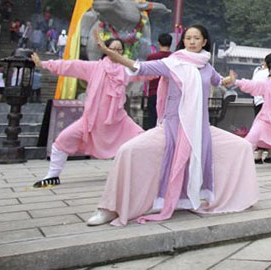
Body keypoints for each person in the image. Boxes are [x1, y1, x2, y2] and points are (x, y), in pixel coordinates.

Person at [87, 25, 258, 226]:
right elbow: (139, 66)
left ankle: (238, 197)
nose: (192, 41)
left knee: (242, 146)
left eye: (196, 38)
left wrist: (230, 80)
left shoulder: (206, 66)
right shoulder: (172, 63)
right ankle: (109, 209)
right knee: (127, 150)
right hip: (172, 128)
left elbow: (219, 80)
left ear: (204, 42)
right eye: (188, 38)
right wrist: (109, 53)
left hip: (201, 131)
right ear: (183, 41)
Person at [30, 39, 147, 188]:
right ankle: (52, 175)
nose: (116, 52)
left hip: (118, 121)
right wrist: (44, 64)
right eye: (113, 49)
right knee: (62, 141)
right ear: (105, 50)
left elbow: (147, 71)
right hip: (91, 121)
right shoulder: (94, 68)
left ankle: (145, 174)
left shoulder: (126, 70)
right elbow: (70, 65)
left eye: (119, 50)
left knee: (144, 140)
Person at [250, 53, 271, 163]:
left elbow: (252, 85)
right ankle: (269, 155)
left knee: (260, 128)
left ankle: (259, 156)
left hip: (259, 102)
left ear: (265, 62)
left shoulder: (259, 72)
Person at [143, 33, 173, 130]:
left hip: (153, 93)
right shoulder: (174, 58)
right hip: (171, 94)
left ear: (158, 43)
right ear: (171, 43)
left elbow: (146, 76)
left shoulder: (151, 57)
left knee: (153, 120)